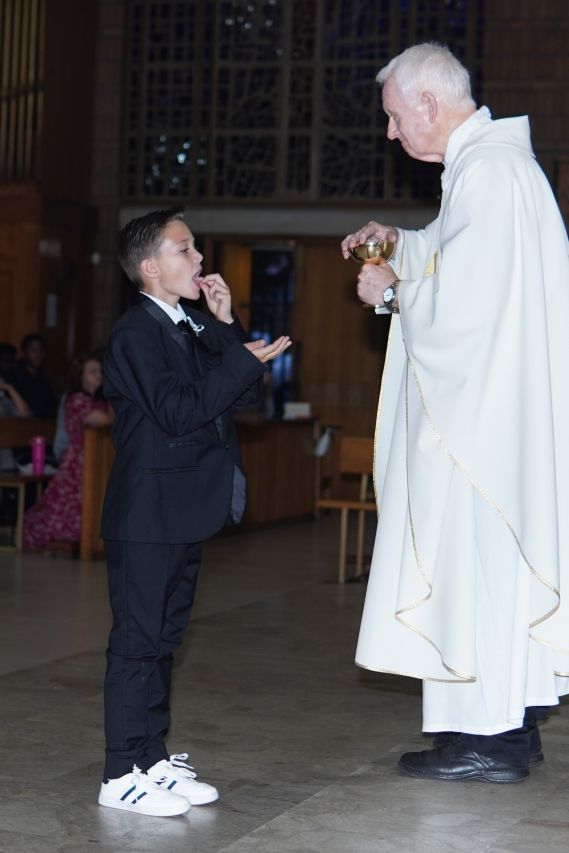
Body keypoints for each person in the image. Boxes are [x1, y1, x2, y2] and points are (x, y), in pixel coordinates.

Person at [341, 43, 569, 783]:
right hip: (490, 417)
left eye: (393, 116)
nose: (390, 132)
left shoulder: (492, 173)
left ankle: (490, 741)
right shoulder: (486, 169)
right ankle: (498, 727)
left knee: (480, 570)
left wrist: (392, 293)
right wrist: (397, 245)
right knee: (485, 573)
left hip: (483, 428)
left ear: (428, 104)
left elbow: (469, 306)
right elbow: (455, 260)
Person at [98, 208, 291, 817]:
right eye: (185, 250)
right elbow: (180, 412)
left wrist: (227, 324)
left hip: (181, 510)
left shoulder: (191, 323)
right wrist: (238, 359)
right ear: (150, 268)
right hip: (147, 513)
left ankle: (150, 757)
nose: (200, 259)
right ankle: (118, 773)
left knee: (163, 641)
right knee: (137, 644)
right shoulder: (136, 332)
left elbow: (244, 394)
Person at [23, 354, 113, 550]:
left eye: (100, 371)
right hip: (78, 460)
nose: (99, 375)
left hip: (95, 459)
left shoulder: (98, 400)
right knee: (71, 504)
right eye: (93, 371)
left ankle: (89, 541)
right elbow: (105, 420)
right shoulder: (76, 400)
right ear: (81, 376)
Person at [8, 334, 57, 417]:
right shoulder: (14, 376)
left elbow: (50, 403)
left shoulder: (43, 376)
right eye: (33, 350)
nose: (38, 354)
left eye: (41, 350)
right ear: (23, 353)